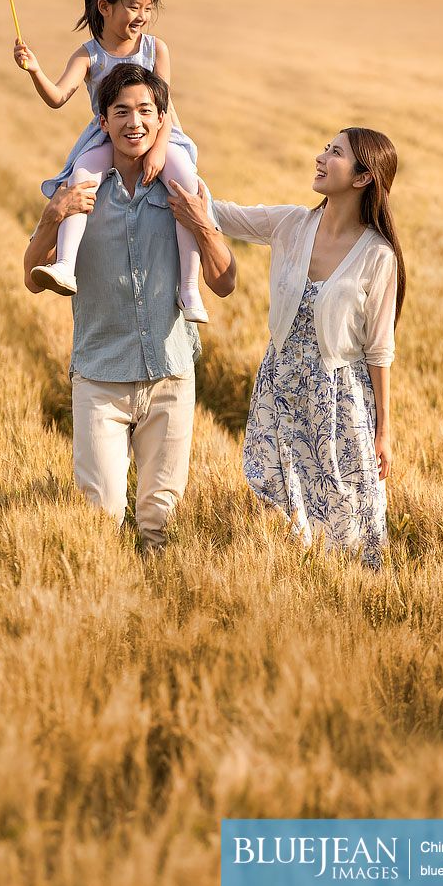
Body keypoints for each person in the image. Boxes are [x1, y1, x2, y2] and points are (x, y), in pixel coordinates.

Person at [168, 128, 405, 569]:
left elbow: (379, 349)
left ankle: (347, 599)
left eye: (335, 153)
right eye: (325, 147)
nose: (321, 157)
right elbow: (218, 215)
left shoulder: (379, 256)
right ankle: (287, 584)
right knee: (278, 502)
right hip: (279, 384)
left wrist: (384, 430)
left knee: (346, 515)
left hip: (338, 399)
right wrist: (166, 145)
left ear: (362, 178)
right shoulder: (291, 223)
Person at [24, 62, 235, 551]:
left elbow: (225, 283)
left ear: (163, 121)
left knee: (160, 523)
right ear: (102, 122)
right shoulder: (80, 193)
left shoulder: (185, 189)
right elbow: (31, 277)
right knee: (101, 516)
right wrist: (51, 216)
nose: (133, 122)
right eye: (121, 111)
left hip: (170, 375)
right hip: (101, 377)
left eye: (145, 111)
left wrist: (202, 225)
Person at [14, 0, 209, 323]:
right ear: (105, 7)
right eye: (134, 7)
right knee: (82, 174)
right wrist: (35, 69)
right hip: (108, 136)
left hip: (162, 133)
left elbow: (164, 108)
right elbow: (57, 97)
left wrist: (159, 152)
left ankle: (189, 288)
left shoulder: (156, 48)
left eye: (148, 8)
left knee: (184, 181)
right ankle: (65, 266)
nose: (142, 16)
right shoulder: (89, 55)